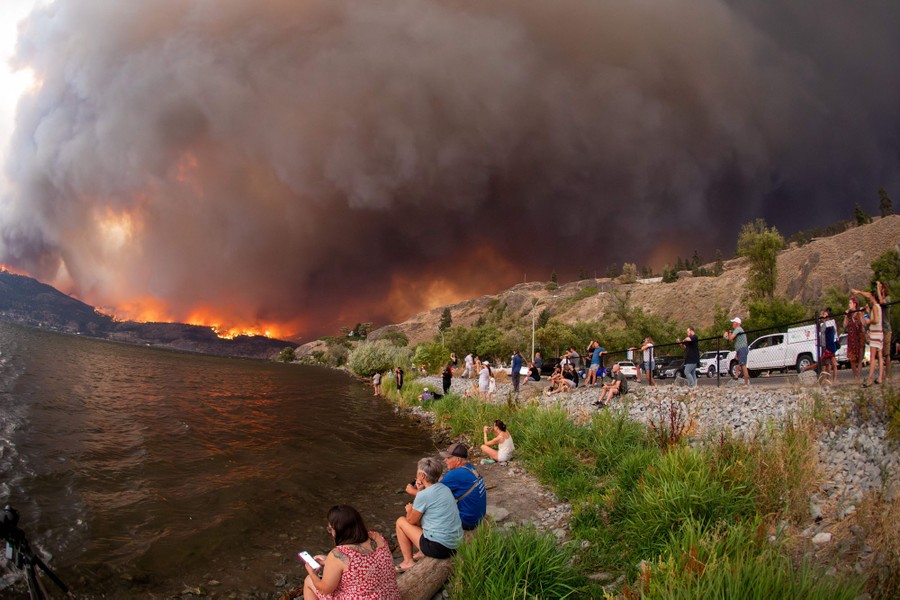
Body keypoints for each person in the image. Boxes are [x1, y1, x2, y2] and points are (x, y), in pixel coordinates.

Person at [302, 505, 400, 600]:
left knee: (309, 581)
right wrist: (329, 561)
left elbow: (325, 590)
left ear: (338, 530)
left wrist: (311, 572)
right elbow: (364, 564)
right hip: (391, 595)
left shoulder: (339, 554)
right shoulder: (377, 537)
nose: (331, 533)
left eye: (330, 529)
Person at [396, 457, 463, 571]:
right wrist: (421, 489)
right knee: (426, 517)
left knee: (400, 522)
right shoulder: (444, 488)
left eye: (418, 472)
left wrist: (409, 510)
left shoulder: (423, 495)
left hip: (441, 548)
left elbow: (411, 521)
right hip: (456, 543)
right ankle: (422, 551)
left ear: (422, 476)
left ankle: (408, 562)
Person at [854, 286, 884, 386]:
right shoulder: (878, 307)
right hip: (880, 332)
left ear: (873, 297)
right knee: (879, 356)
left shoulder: (875, 306)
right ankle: (880, 377)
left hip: (875, 333)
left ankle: (870, 378)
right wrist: (868, 312)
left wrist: (868, 320)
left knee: (872, 356)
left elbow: (875, 320)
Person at [802, 308, 838, 383]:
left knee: (829, 364)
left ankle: (829, 379)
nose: (823, 316)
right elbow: (820, 330)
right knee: (824, 364)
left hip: (829, 346)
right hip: (824, 345)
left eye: (824, 314)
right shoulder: (824, 324)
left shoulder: (830, 323)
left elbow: (825, 330)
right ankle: (824, 379)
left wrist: (823, 321)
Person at [844, 295, 865, 383]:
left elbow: (863, 324)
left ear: (854, 304)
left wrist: (860, 315)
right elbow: (844, 325)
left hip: (859, 337)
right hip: (851, 338)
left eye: (850, 303)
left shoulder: (859, 313)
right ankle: (856, 377)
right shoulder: (848, 315)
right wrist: (845, 316)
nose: (849, 304)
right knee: (852, 359)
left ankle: (858, 376)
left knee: (860, 359)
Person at [725, 317, 749, 385]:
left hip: (742, 349)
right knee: (739, 364)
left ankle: (746, 383)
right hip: (740, 349)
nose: (733, 324)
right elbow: (731, 338)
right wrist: (726, 337)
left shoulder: (738, 329)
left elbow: (731, 338)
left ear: (737, 323)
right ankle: (736, 376)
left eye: (733, 322)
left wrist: (729, 332)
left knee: (743, 365)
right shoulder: (738, 330)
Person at [877, 281, 892, 379]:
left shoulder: (888, 298)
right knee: (880, 353)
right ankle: (881, 374)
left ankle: (888, 374)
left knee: (886, 353)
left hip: (886, 329)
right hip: (880, 329)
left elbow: (882, 302)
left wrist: (878, 289)